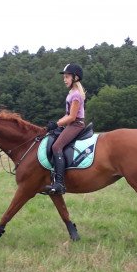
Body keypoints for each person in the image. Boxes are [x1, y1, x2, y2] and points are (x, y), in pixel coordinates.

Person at [44, 63, 86, 195]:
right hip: (71, 123)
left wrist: (57, 124)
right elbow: (67, 115)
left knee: (56, 147)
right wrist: (56, 123)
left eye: (67, 77)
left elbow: (72, 117)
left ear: (75, 78)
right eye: (64, 77)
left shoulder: (76, 95)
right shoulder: (71, 93)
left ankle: (59, 183)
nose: (64, 79)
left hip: (76, 125)